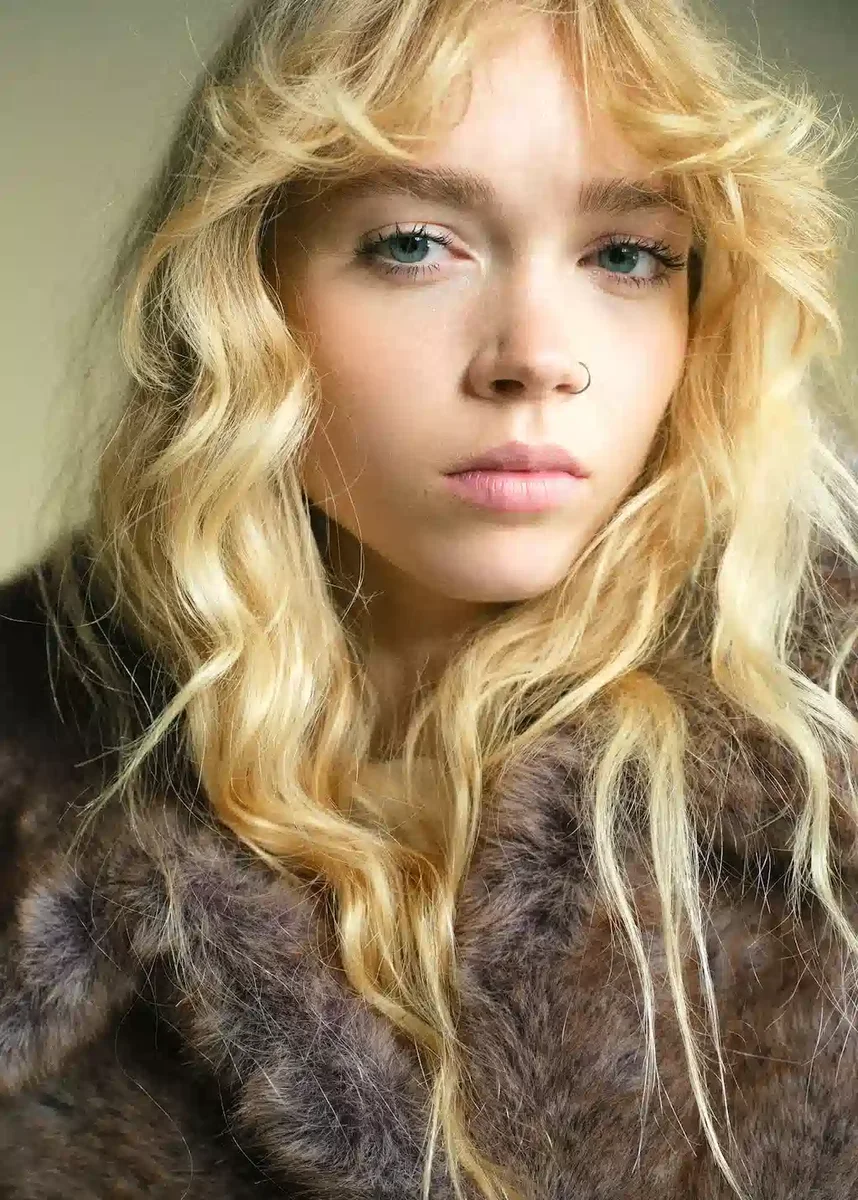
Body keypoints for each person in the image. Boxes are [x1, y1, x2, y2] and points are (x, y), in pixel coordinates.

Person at [1, 0, 857, 1196]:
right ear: (250, 290)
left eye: (626, 254)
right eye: (414, 243)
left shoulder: (825, 781)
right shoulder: (33, 751)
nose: (536, 356)